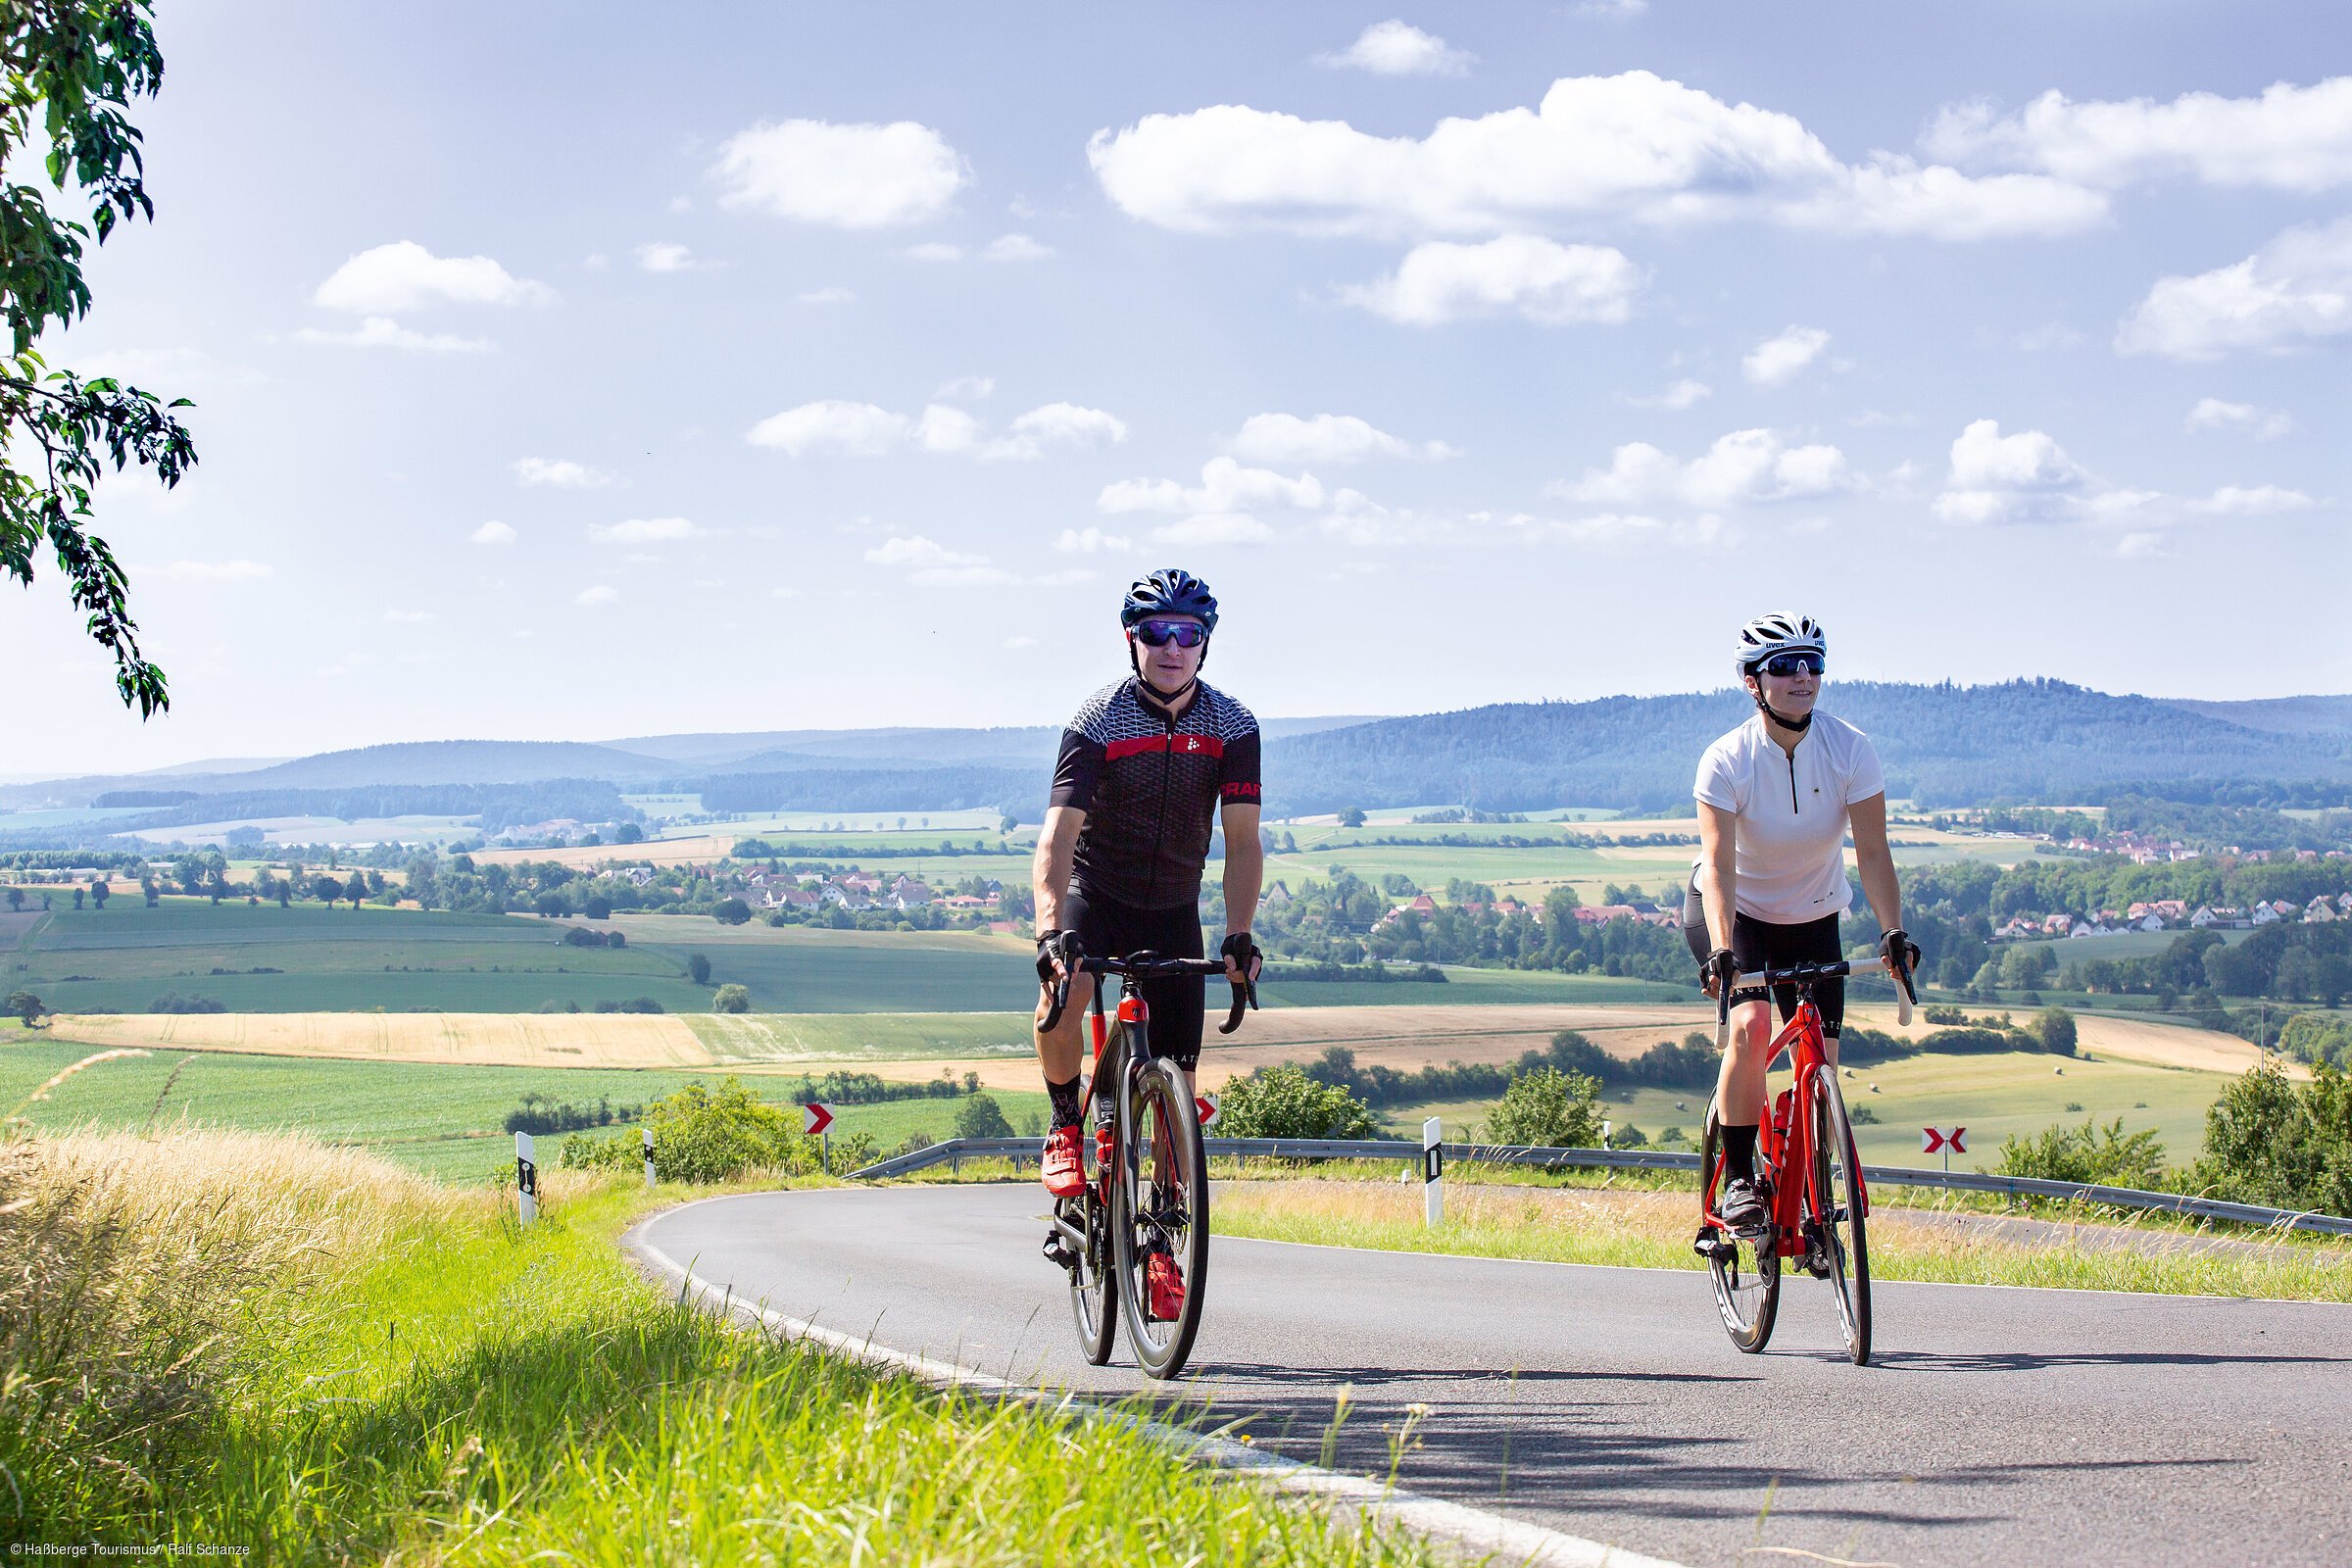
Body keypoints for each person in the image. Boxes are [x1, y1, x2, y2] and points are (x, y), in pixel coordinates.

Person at [1030, 569, 1265, 1312]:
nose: (1172, 647)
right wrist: (1049, 935)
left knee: (1177, 1089)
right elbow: (1056, 841)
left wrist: (1238, 934)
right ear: (1132, 639)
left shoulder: (1232, 727)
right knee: (1063, 1002)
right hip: (1096, 896)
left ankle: (1160, 1240)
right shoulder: (1099, 721)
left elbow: (1244, 843)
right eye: (1157, 632)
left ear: (1205, 644)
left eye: (1187, 633)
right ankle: (1068, 1122)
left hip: (1171, 908)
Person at [1684, 612, 1918, 1227]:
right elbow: (1719, 863)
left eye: (1812, 664)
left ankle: (1804, 1184)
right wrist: (1723, 950)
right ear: (1752, 682)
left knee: (1821, 1061)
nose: (1802, 678)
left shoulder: (1850, 749)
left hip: (1815, 918)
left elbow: (1873, 853)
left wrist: (1892, 931)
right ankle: (1737, 1179)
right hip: (1738, 914)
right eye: (1784, 667)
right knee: (1752, 1026)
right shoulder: (1726, 760)